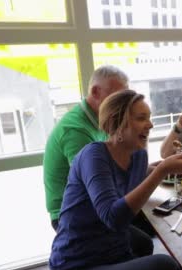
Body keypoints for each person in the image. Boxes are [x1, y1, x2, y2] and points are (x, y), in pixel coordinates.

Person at [49, 89, 182, 270]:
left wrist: (156, 169)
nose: (151, 125)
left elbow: (126, 185)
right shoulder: (93, 156)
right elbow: (114, 218)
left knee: (144, 243)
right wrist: (162, 170)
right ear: (117, 122)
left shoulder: (137, 157)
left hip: (113, 254)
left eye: (150, 117)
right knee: (164, 268)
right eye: (141, 118)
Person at [44, 65, 128, 231]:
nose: (122, 104)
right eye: (117, 97)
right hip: (71, 216)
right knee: (144, 238)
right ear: (96, 92)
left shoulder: (99, 119)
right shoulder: (76, 131)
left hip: (92, 204)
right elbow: (97, 182)